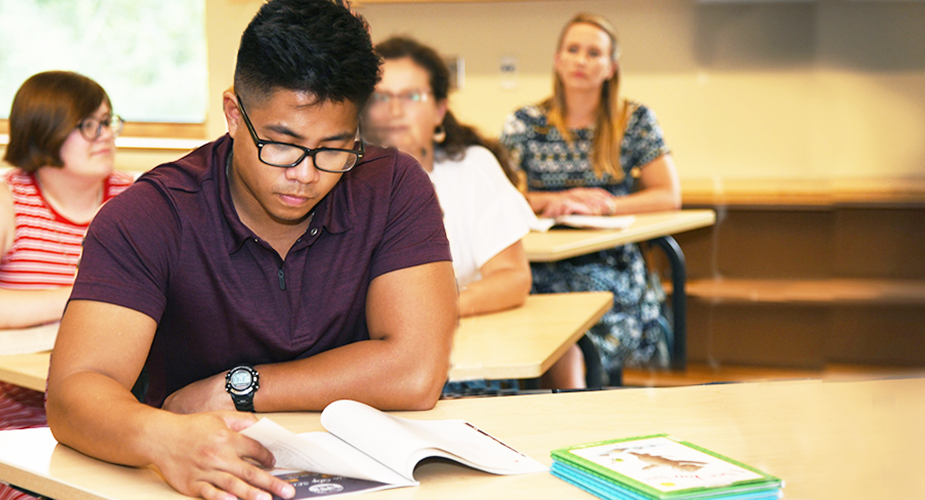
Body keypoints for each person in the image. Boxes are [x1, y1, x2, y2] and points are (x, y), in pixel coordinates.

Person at [45, 1, 458, 500]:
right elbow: (73, 393)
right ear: (234, 115)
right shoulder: (150, 215)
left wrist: (237, 386)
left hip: (369, 476)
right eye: (282, 144)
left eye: (333, 148)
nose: (305, 175)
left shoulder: (391, 186)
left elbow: (414, 372)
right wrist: (160, 437)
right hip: (197, 479)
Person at [0, 71, 133, 500]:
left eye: (108, 121)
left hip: (112, 396)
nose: (106, 135)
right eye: (89, 125)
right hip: (10, 402)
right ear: (45, 129)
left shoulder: (132, 197)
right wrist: (84, 299)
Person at [365, 36, 584, 389]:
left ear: (439, 111)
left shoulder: (473, 167)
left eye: (412, 97)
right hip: (372, 365)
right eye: (381, 97)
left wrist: (430, 312)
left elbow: (512, 278)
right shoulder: (336, 173)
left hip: (466, 356)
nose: (394, 111)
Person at [500, 13, 682, 385]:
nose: (581, 61)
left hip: (609, 262)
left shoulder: (634, 120)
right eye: (573, 50)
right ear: (557, 59)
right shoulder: (526, 122)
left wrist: (604, 204)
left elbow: (669, 194)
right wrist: (559, 199)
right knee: (525, 315)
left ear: (611, 67)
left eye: (594, 53)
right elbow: (502, 195)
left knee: (578, 331)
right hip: (541, 263)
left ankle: (577, 397)